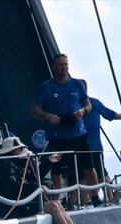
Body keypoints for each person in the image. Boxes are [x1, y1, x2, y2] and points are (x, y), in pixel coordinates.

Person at [0, 136, 101, 224]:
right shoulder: (3, 166)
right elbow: (14, 188)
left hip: (23, 202)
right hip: (14, 207)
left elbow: (34, 177)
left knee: (56, 203)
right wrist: (36, 188)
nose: (21, 152)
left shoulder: (16, 164)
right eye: (18, 149)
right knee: (53, 206)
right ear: (12, 151)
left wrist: (46, 163)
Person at [32, 54, 101, 208]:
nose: (63, 68)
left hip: (78, 134)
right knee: (57, 170)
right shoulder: (46, 87)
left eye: (66, 65)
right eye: (60, 65)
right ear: (53, 67)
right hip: (57, 137)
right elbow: (35, 109)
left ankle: (95, 197)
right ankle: (57, 201)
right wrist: (47, 115)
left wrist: (83, 111)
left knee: (88, 167)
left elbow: (87, 103)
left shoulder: (77, 84)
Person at [79, 79, 121, 202]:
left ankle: (107, 198)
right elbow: (109, 113)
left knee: (95, 174)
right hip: (81, 147)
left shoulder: (93, 103)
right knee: (89, 175)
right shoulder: (74, 104)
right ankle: (90, 200)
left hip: (92, 147)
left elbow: (109, 113)